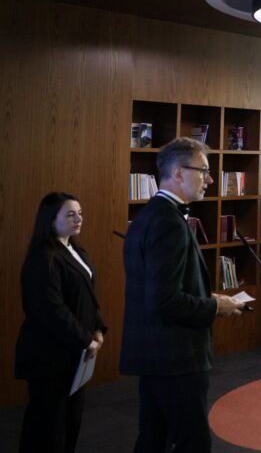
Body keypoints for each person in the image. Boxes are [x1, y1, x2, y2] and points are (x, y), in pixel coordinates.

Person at [121, 137, 244, 452]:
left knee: (153, 438)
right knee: (193, 441)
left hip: (154, 351)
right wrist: (214, 306)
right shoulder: (169, 223)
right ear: (178, 172)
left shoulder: (149, 214)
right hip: (175, 355)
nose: (210, 179)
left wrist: (207, 296)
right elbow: (164, 300)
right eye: (203, 171)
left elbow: (160, 287)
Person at [16, 192, 107, 453]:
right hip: (49, 355)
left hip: (75, 353)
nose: (79, 219)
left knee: (70, 420)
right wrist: (86, 339)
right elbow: (51, 310)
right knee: (47, 426)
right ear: (50, 219)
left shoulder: (75, 249)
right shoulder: (43, 257)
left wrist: (98, 327)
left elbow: (87, 295)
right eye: (70, 214)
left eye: (80, 213)